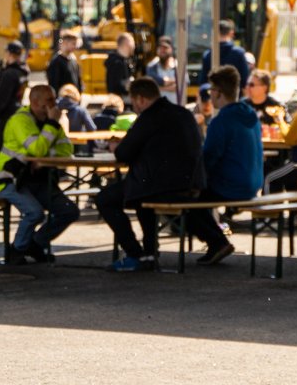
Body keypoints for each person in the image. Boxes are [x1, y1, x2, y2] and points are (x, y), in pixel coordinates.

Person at [98, 77, 232, 270]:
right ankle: (150, 253)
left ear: (141, 99)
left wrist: (115, 146)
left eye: (134, 102)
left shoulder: (149, 117)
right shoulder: (182, 113)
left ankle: (136, 254)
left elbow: (124, 153)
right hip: (193, 182)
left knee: (106, 199)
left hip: (162, 185)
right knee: (141, 193)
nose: (134, 106)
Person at [0, 84, 80, 264]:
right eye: (49, 100)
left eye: (54, 99)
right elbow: (37, 149)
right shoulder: (20, 121)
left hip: (39, 181)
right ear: (34, 102)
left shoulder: (50, 122)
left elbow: (67, 149)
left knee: (69, 211)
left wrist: (43, 158)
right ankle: (17, 250)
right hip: (12, 180)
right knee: (35, 213)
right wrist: (52, 125)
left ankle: (35, 243)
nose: (54, 104)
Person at [202, 66, 263, 202]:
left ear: (218, 92)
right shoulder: (251, 115)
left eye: (211, 90)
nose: (210, 94)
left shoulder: (221, 121)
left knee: (187, 197)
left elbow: (208, 158)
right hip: (253, 186)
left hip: (229, 189)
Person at [0, 41, 29, 153]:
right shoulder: (22, 72)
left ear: (9, 54)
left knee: (2, 149)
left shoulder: (9, 74)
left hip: (4, 117)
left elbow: (2, 98)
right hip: (15, 113)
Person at [200, 19, 251, 86]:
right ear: (231, 33)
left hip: (215, 91)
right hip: (234, 91)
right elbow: (245, 78)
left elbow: (203, 80)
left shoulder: (208, 55)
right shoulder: (239, 53)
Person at [244, 69, 288, 133]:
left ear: (264, 88)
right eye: (247, 84)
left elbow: (286, 129)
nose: (247, 87)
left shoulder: (276, 107)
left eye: (251, 85)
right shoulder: (242, 106)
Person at [145, 36, 179, 104]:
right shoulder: (151, 66)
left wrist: (160, 88)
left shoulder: (178, 65)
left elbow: (180, 86)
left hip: (175, 106)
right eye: (160, 48)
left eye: (165, 48)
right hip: (158, 107)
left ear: (171, 49)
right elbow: (151, 88)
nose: (162, 50)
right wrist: (173, 81)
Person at [106, 32, 137, 99]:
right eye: (133, 43)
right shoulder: (116, 63)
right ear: (127, 43)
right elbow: (114, 88)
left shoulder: (124, 61)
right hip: (119, 101)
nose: (134, 46)